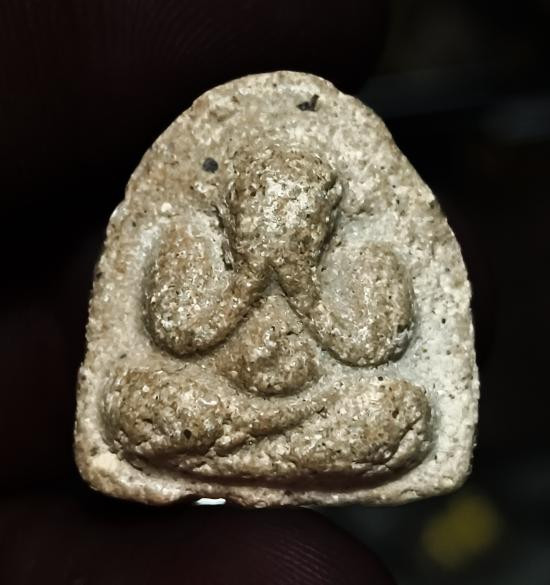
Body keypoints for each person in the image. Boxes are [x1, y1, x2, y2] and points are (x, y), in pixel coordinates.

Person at [0, 1, 395, 582]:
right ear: (230, 215)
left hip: (320, 406)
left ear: (326, 224)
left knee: (397, 409)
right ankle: (262, 446)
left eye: (300, 225)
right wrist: (247, 282)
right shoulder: (186, 242)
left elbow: (373, 351)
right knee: (131, 405)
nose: (278, 235)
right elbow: (177, 337)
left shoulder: (370, 259)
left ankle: (254, 450)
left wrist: (306, 291)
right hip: (215, 409)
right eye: (258, 219)